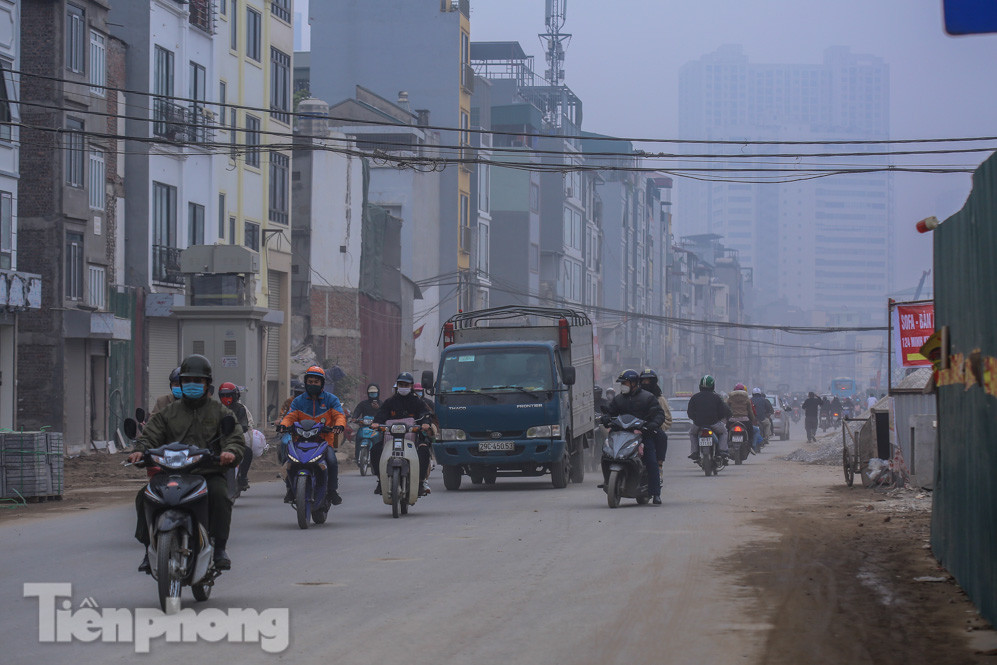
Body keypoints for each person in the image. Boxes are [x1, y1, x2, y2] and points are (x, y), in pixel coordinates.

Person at [128, 354, 245, 572]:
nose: (192, 385)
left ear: (207, 384)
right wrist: (139, 451)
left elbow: (234, 438)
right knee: (144, 496)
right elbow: (150, 436)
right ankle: (149, 548)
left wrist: (230, 452)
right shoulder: (167, 413)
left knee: (220, 495)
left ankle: (220, 548)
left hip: (207, 472)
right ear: (180, 383)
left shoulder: (220, 412)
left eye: (197, 381)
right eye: (187, 381)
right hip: (170, 473)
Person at [279, 366, 345, 507]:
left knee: (332, 461)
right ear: (306, 382)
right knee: (288, 461)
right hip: (300, 440)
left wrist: (339, 425)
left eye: (316, 382)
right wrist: (284, 425)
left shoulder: (331, 399)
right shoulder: (298, 401)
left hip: (324, 442)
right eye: (310, 381)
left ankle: (332, 491)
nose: (313, 384)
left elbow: (339, 415)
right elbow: (290, 416)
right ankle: (290, 489)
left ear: (322, 383)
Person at [603, 369, 665, 505]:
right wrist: (606, 418)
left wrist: (652, 424)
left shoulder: (648, 397)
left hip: (643, 435)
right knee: (606, 453)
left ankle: (656, 493)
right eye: (622, 383)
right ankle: (607, 481)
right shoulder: (618, 399)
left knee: (651, 460)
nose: (623, 386)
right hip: (621, 434)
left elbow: (659, 414)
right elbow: (610, 412)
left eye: (625, 383)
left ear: (633, 383)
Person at [372, 373, 433, 495]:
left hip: (414, 439)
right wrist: (376, 423)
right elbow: (381, 414)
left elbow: (424, 414)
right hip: (390, 438)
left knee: (424, 451)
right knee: (375, 450)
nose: (403, 387)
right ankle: (381, 480)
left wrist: (425, 423)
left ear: (411, 386)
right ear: (397, 385)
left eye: (406, 385)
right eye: (401, 384)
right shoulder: (390, 402)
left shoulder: (418, 402)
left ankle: (420, 482)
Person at [219, 382, 255, 493]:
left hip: (234, 440)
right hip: (218, 440)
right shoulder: (216, 408)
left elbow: (243, 423)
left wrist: (239, 429)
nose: (226, 398)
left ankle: (243, 476)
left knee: (248, 452)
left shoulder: (240, 408)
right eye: (223, 395)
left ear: (235, 396)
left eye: (229, 395)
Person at [687, 375, 731, 462]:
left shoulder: (694, 397)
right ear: (712, 386)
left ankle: (695, 452)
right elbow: (722, 412)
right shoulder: (717, 397)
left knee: (692, 433)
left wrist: (696, 419)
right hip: (714, 423)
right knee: (724, 432)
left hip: (698, 424)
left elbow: (690, 413)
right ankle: (722, 450)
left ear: (700, 386)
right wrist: (718, 419)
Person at [638, 368, 672, 474]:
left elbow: (667, 418)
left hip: (652, 429)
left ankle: (659, 465)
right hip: (636, 428)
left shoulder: (660, 399)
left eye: (648, 381)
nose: (645, 383)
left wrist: (657, 425)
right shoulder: (635, 397)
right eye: (643, 381)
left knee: (662, 437)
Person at [351, 383, 382, 464]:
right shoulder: (363, 404)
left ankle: (380, 457)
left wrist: (378, 408)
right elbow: (357, 410)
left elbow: (384, 413)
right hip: (364, 426)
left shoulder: (381, 404)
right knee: (358, 438)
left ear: (378, 392)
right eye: (371, 392)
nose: (373, 394)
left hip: (377, 428)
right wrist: (354, 418)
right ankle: (357, 456)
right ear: (368, 393)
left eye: (374, 392)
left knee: (382, 439)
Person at [726, 383, 758, 454]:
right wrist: (753, 419)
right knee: (750, 431)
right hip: (745, 420)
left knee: (726, 431)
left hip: (732, 420)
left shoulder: (730, 398)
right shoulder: (746, 399)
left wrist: (726, 418)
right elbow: (750, 411)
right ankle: (750, 446)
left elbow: (726, 409)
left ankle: (726, 446)